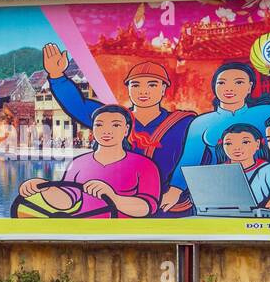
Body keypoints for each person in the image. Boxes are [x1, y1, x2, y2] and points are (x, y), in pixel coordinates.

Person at [42, 44, 193, 209]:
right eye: (136, 85)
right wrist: (57, 76)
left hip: (169, 206)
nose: (143, 91)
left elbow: (195, 157)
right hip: (120, 205)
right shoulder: (114, 119)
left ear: (163, 89)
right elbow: (79, 105)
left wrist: (177, 189)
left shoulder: (182, 123)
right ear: (128, 88)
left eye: (152, 85)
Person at [166, 45, 270, 210]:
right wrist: (175, 190)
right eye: (222, 83)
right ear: (214, 86)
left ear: (250, 87)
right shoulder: (201, 123)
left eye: (238, 82)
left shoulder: (264, 112)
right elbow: (190, 159)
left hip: (267, 182)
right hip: (221, 186)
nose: (229, 88)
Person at [17, 105, 161, 218]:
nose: (106, 131)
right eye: (99, 125)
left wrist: (114, 198)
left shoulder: (145, 165)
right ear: (93, 129)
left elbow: (148, 207)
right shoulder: (79, 163)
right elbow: (67, 201)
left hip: (124, 233)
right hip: (82, 231)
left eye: (115, 125)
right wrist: (45, 187)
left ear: (126, 130)